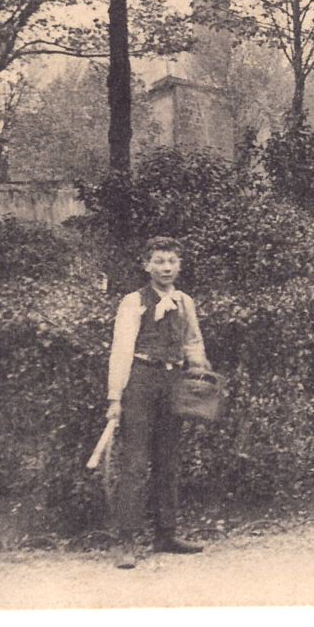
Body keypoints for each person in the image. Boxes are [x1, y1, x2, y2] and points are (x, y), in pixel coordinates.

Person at [106, 237, 212, 569]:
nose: (166, 267)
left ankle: (166, 534)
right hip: (141, 380)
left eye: (172, 261)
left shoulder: (185, 302)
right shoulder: (133, 302)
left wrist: (199, 368)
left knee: (169, 461)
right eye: (159, 261)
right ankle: (127, 542)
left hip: (174, 383)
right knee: (135, 464)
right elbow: (121, 350)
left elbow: (193, 341)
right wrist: (115, 397)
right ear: (147, 265)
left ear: (179, 265)